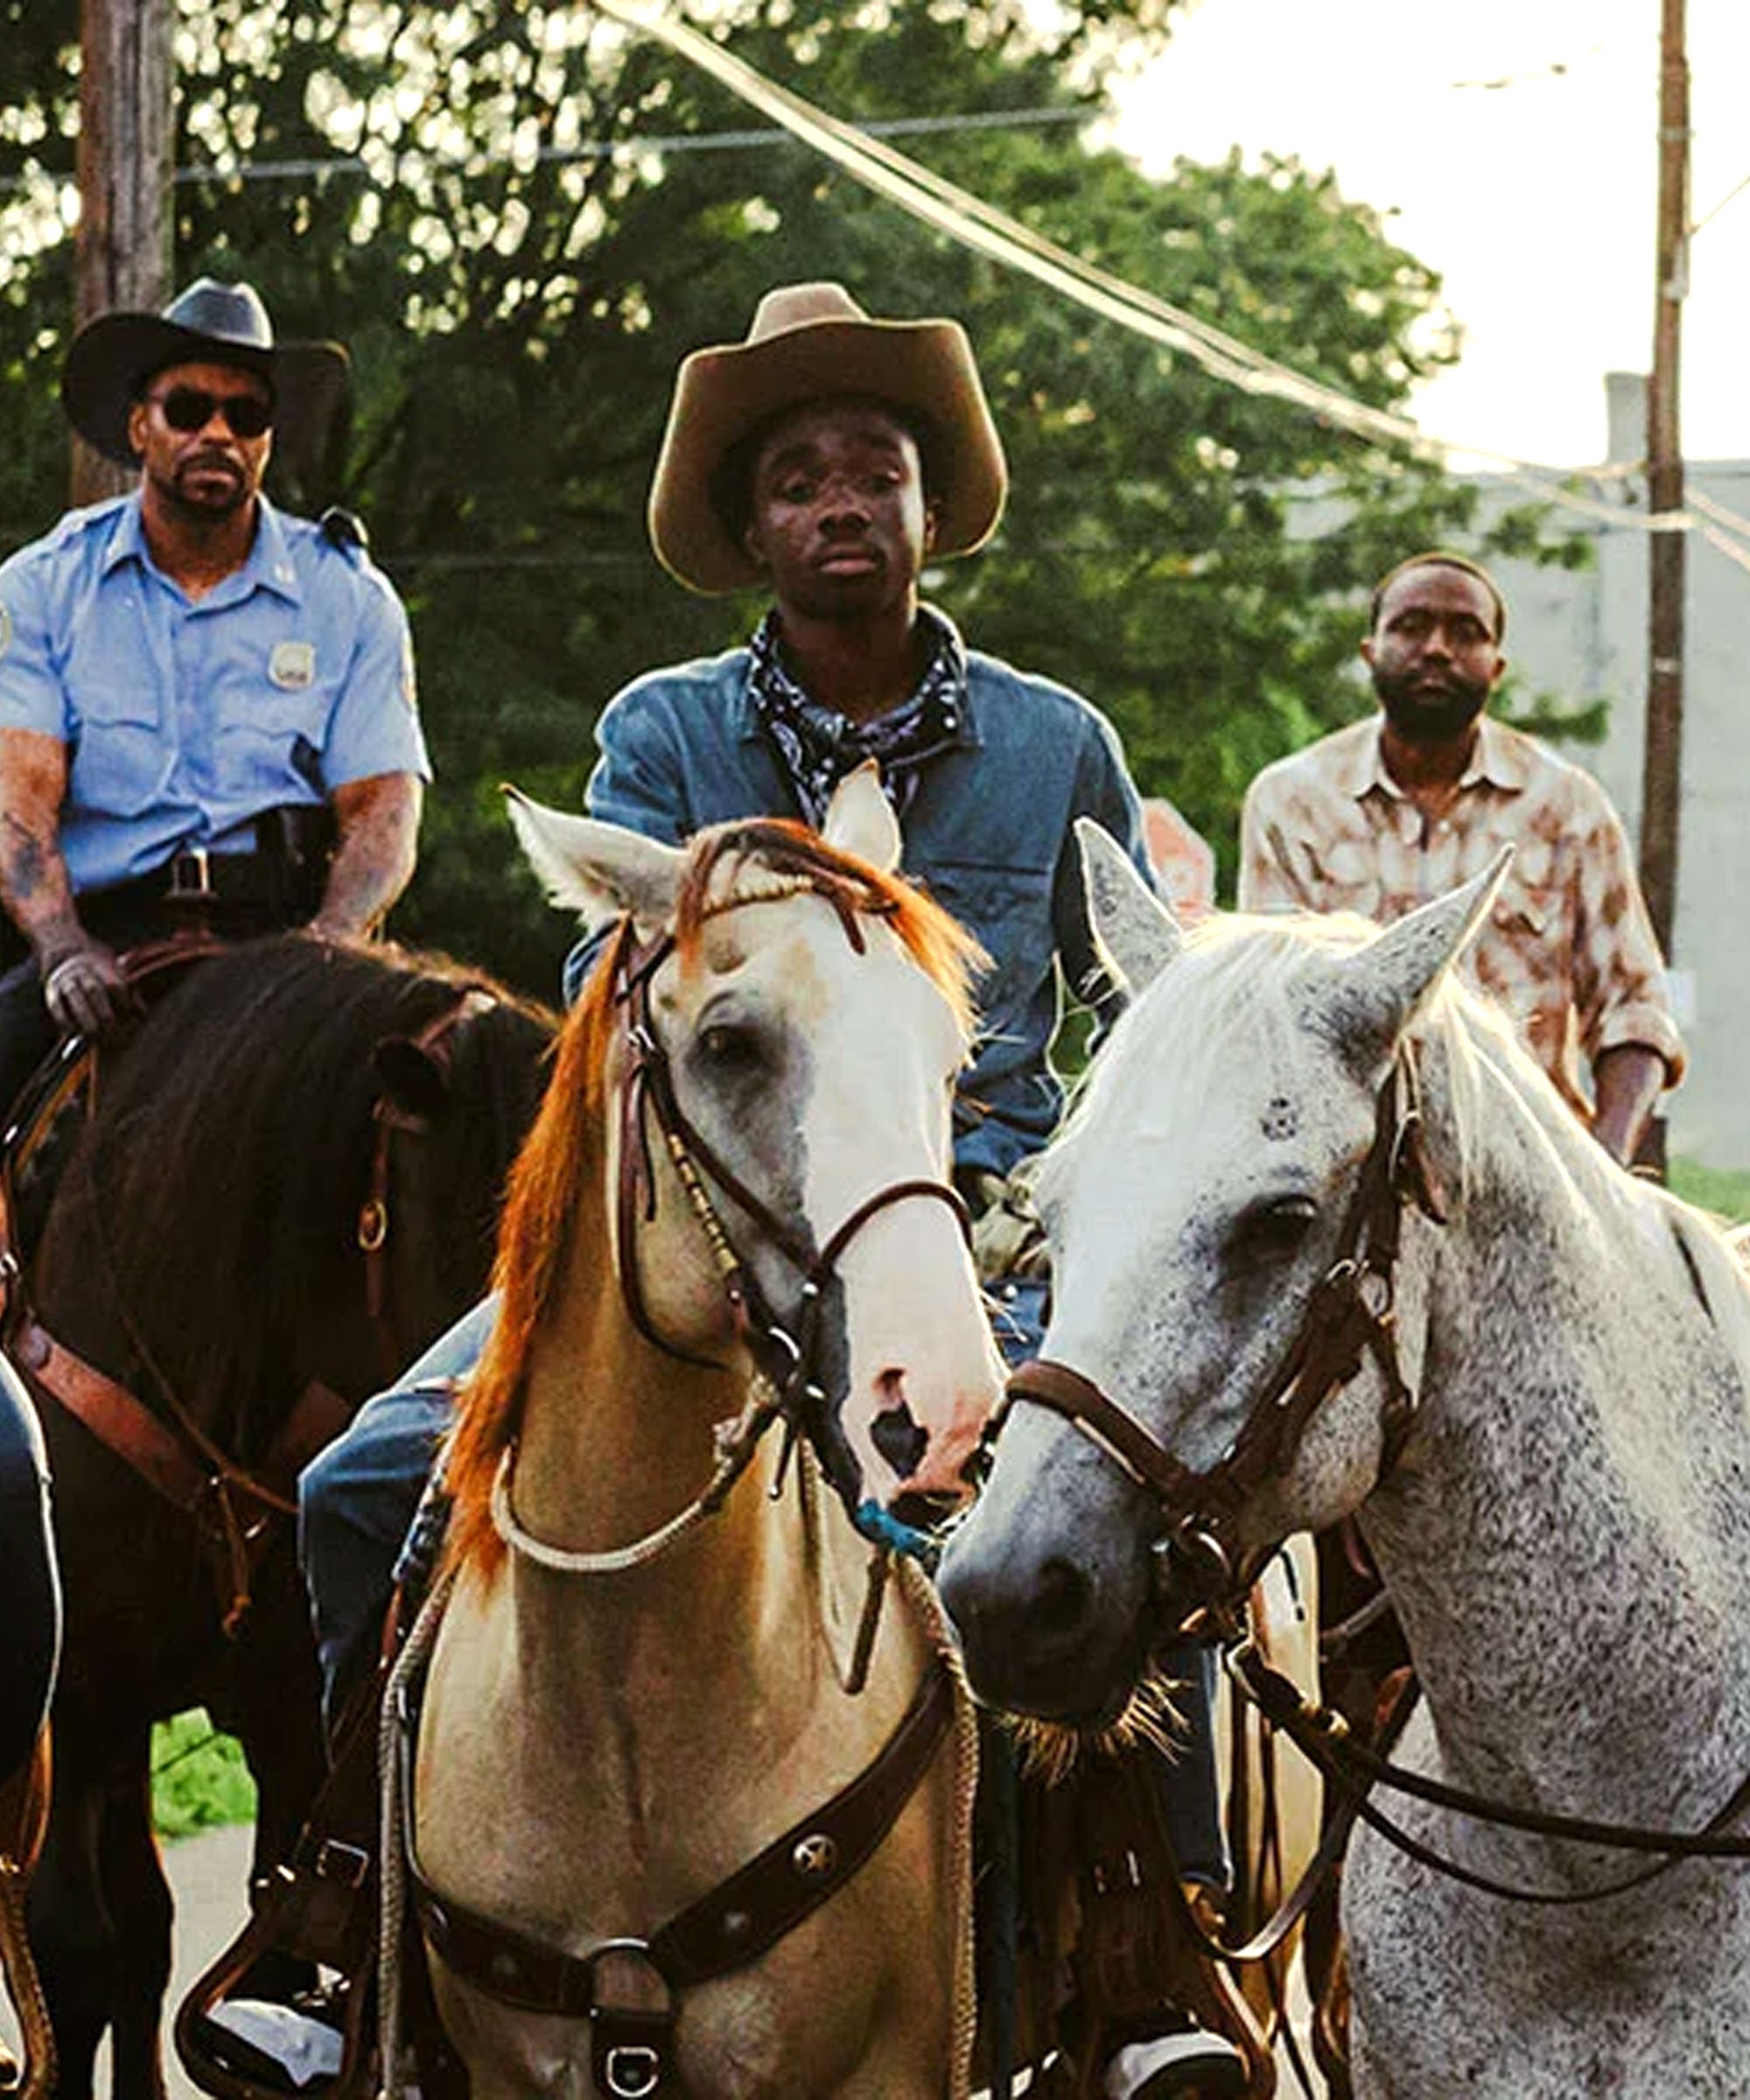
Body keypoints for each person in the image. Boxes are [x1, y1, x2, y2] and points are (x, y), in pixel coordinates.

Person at [293, 284, 1245, 2099]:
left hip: (970, 1228)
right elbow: (611, 1020)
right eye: (796, 476)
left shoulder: (1056, 749)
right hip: (699, 1214)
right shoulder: (662, 739)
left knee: (1112, 1526)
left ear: (926, 508)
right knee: (361, 1488)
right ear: (750, 531)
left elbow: (1139, 1019)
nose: (837, 500)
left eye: (871, 469)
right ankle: (336, 1908)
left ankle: (1144, 1949)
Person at [0, 276, 429, 1116]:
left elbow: (384, 810)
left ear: (269, 439)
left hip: (284, 940)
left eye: (246, 415)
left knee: (452, 1100)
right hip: (107, 942)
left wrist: (333, 946)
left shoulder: (348, 596)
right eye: (189, 408)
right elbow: (20, 806)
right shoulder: (43, 587)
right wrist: (61, 947)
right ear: (140, 428)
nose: (217, 434)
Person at [1239, 550, 1684, 1165]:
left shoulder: (1566, 806)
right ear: (1371, 650)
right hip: (1350, 1167)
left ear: (1496, 666)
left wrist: (1604, 1170)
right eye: (1412, 626)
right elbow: (1274, 1011)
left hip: (1532, 1166)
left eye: (1466, 632)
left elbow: (1635, 1011)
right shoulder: (1293, 801)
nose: (1438, 649)